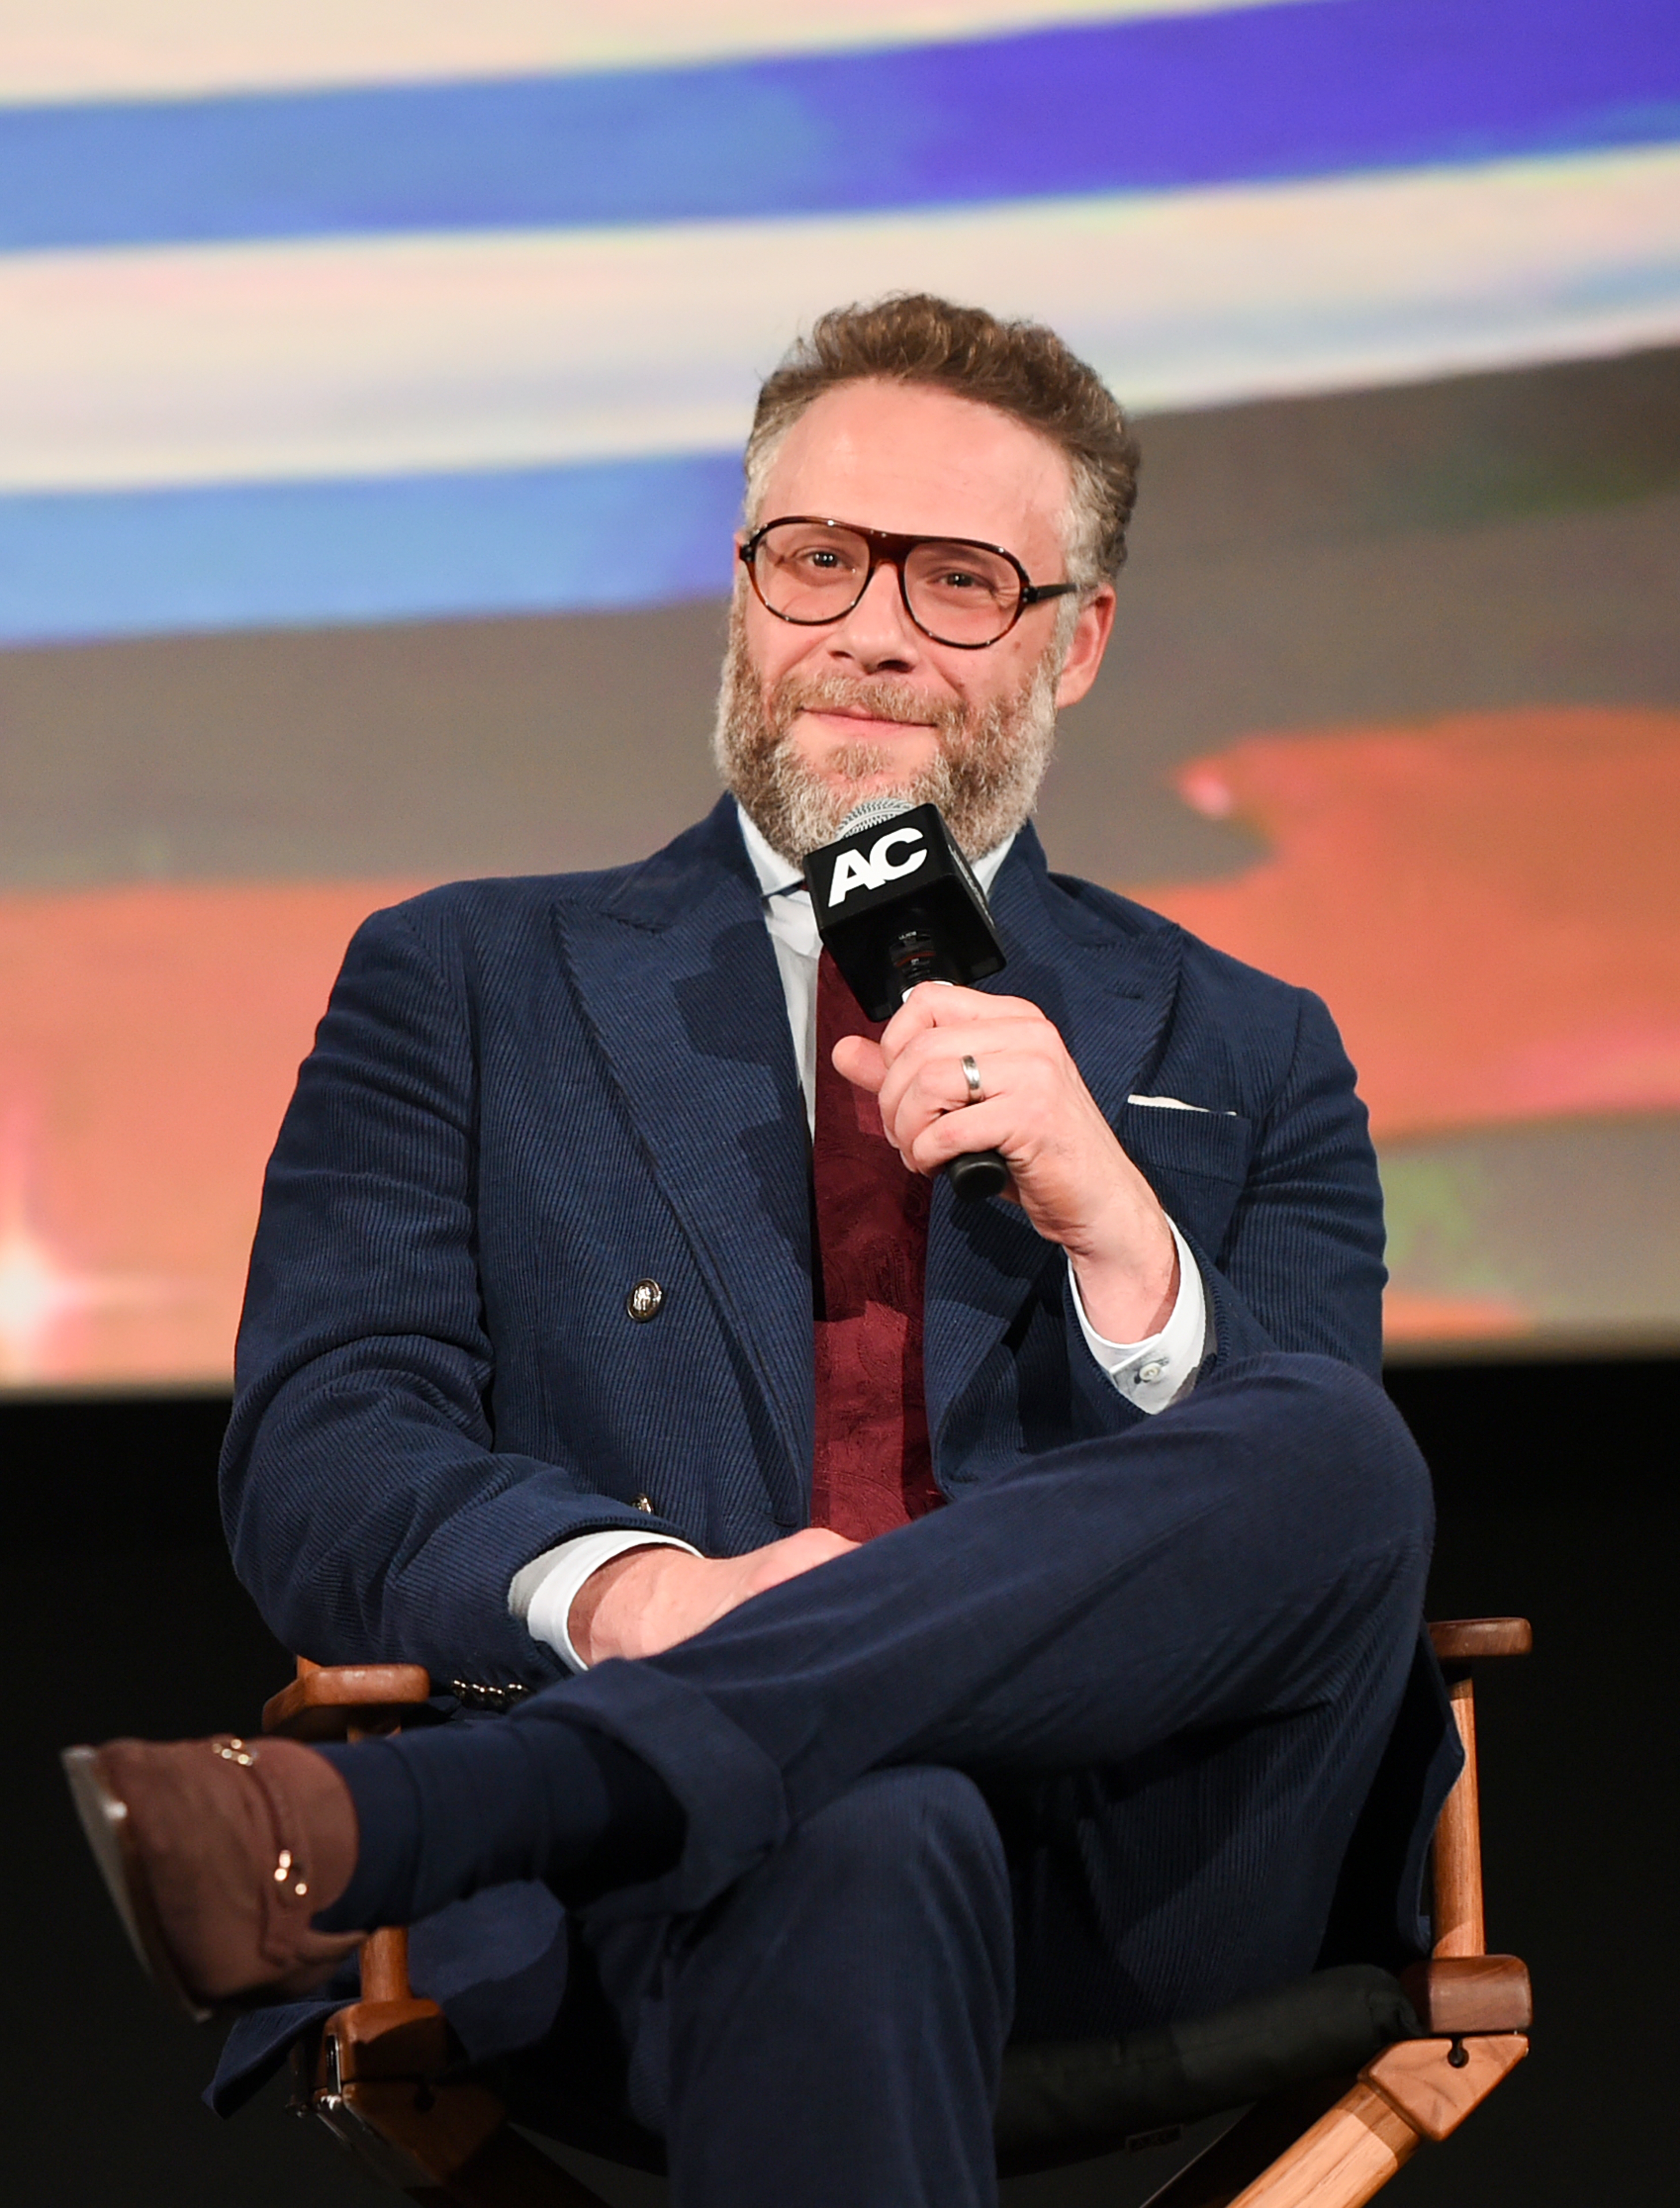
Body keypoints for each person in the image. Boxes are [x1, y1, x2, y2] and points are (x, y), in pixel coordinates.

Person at [68, 297, 1451, 2208]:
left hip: (1141, 1864)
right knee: (857, 1825)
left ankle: (422, 1813)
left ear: (1082, 637)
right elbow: (327, 1453)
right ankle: (603, 1768)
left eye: (960, 579)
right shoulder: (467, 981)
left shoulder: (1246, 1043)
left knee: (1339, 1446)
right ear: (744, 589)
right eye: (817, 557)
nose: (870, 627)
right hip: (665, 1892)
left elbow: (1305, 1544)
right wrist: (636, 1595)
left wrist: (1122, 1226)